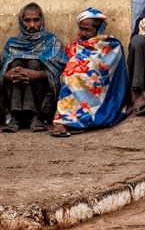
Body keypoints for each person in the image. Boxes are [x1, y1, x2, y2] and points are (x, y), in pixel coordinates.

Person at [50, 9, 131, 137]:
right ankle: (65, 121)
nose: (83, 33)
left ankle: (80, 119)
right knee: (69, 77)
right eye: (81, 29)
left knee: (75, 78)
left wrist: (87, 69)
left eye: (87, 30)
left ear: (98, 30)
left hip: (99, 85)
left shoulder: (112, 45)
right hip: (75, 79)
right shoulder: (74, 46)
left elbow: (110, 69)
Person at [1, 3, 67, 132]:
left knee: (34, 64)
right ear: (21, 21)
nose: (32, 25)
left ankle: (35, 117)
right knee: (15, 64)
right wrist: (6, 74)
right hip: (14, 93)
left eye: (36, 20)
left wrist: (39, 74)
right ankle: (15, 117)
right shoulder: (12, 43)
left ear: (42, 21)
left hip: (42, 101)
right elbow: (3, 69)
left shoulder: (52, 41)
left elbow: (60, 72)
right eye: (27, 20)